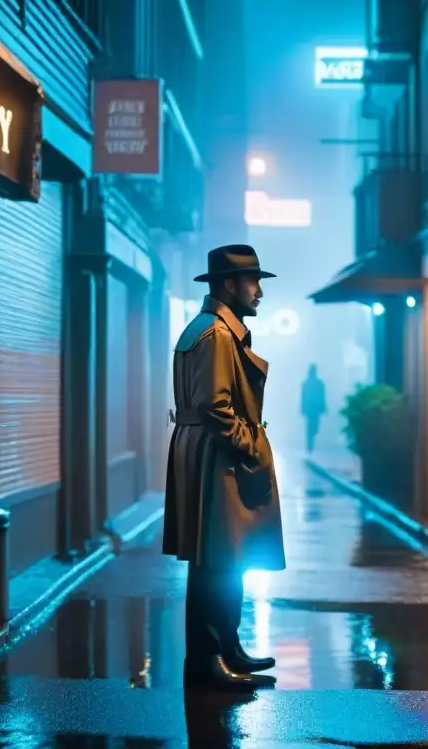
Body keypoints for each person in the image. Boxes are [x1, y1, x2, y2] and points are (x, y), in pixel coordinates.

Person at [163, 244, 286, 691]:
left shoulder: (213, 329)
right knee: (215, 560)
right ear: (229, 285)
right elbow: (214, 406)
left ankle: (225, 648)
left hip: (209, 452)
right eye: (254, 283)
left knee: (222, 558)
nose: (259, 293)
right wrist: (249, 448)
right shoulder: (216, 333)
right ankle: (209, 657)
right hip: (217, 457)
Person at [300, 364, 327, 455]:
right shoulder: (307, 383)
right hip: (311, 408)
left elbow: (322, 396)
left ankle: (310, 443)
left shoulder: (318, 384)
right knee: (310, 427)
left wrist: (323, 407)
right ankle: (309, 446)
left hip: (314, 408)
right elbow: (303, 397)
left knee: (314, 426)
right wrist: (302, 408)